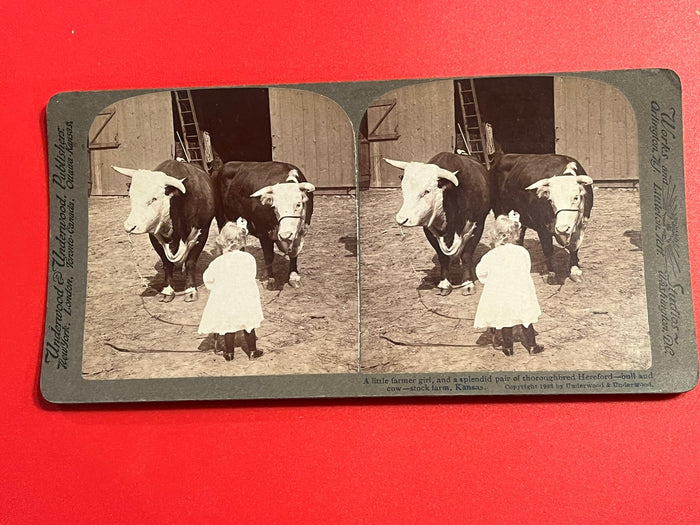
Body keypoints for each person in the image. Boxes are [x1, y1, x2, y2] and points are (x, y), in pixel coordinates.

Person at [474, 211, 544, 356]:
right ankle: (532, 345)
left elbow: (480, 272)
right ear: (514, 235)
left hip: (502, 292)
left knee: (505, 319)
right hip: (520, 290)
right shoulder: (521, 252)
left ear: (494, 235)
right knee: (525, 318)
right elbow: (526, 268)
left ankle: (508, 348)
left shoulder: (490, 256)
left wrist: (491, 282)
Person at [198, 218, 264, 361]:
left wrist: (216, 288)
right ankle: (252, 350)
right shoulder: (248, 258)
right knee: (249, 324)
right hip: (245, 297)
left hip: (227, 298)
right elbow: (252, 274)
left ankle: (229, 353)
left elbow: (208, 279)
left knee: (229, 325)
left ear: (223, 242)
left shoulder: (218, 262)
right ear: (240, 242)